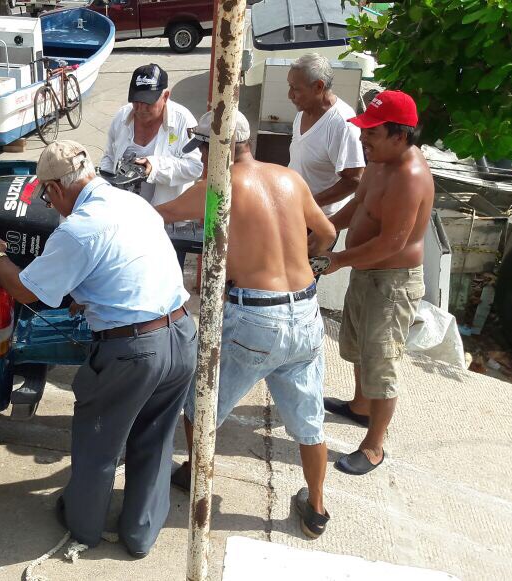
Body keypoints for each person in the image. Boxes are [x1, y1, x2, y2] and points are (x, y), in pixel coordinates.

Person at [0, 140, 197, 557]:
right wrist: (87, 291)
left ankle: (84, 526)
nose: (47, 202)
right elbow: (125, 265)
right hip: (182, 332)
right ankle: (140, 533)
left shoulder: (77, 229)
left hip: (133, 350)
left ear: (55, 189)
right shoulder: (133, 204)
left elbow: (25, 289)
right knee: (155, 436)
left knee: (99, 441)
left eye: (45, 194)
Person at [153, 111, 337, 539]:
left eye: (200, 149)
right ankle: (316, 507)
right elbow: (326, 233)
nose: (199, 158)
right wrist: (302, 264)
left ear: (210, 148)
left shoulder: (217, 186)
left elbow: (158, 215)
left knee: (199, 408)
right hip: (307, 313)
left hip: (256, 316)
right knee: (310, 423)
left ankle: (199, 478)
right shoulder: (288, 178)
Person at [319, 90, 432, 476]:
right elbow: (360, 206)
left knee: (382, 361)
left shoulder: (410, 177)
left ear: (400, 136)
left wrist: (337, 260)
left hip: (392, 281)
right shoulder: (380, 162)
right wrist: (328, 226)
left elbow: (391, 243)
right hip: (366, 272)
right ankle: (359, 407)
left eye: (373, 133)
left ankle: (374, 446)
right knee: (356, 345)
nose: (364, 139)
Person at [99, 63, 203, 207]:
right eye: (136, 101)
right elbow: (109, 157)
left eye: (148, 102)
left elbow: (195, 167)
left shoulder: (184, 121)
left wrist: (155, 167)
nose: (140, 109)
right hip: (125, 212)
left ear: (165, 96)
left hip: (167, 218)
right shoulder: (122, 116)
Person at [287, 53, 365, 220]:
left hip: (319, 219)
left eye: (296, 88)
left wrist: (308, 204)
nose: (290, 95)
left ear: (319, 87)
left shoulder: (342, 124)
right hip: (294, 212)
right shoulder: (303, 111)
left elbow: (354, 180)